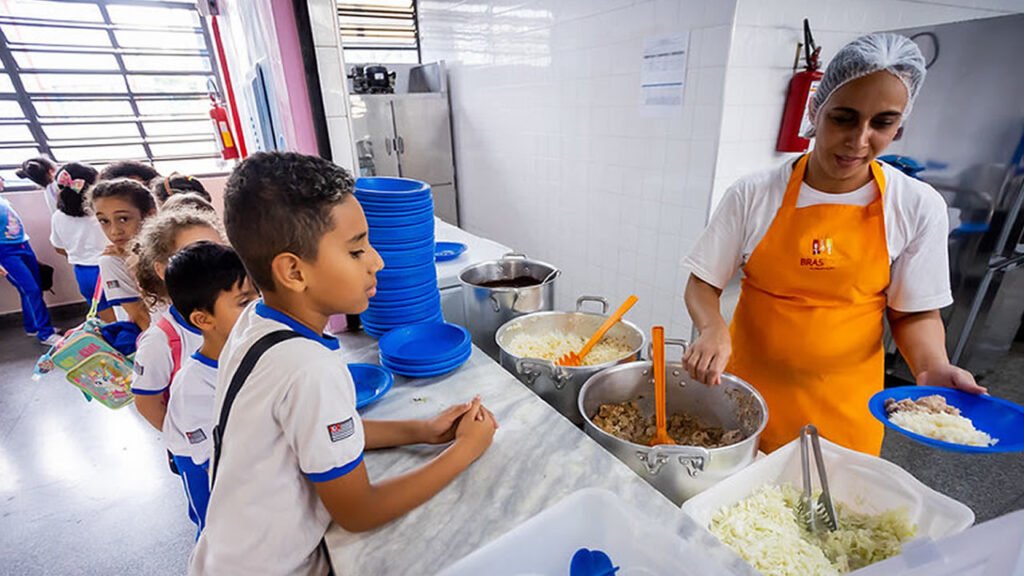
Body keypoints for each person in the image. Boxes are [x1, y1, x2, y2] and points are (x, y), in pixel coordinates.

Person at [190, 152, 497, 576]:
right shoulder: (309, 368)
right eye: (356, 251)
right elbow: (359, 511)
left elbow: (316, 433)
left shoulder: (255, 321)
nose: (378, 261)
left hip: (225, 553)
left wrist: (420, 431)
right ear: (293, 272)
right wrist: (466, 450)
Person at [682, 33, 985, 456]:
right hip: (745, 400)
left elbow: (914, 312)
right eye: (843, 118)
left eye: (882, 123)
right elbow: (703, 283)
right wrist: (713, 328)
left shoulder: (916, 205)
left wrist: (931, 365)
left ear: (899, 125)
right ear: (815, 110)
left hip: (846, 410)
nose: (859, 140)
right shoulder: (755, 194)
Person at [163, 241, 258, 538]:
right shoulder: (193, 386)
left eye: (260, 295)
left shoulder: (251, 350)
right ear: (203, 320)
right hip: (203, 466)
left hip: (247, 457)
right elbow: (213, 462)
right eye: (244, 302)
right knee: (216, 532)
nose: (259, 308)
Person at [130, 207, 225, 431]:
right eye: (195, 255)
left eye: (218, 252)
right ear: (163, 270)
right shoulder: (161, 341)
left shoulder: (244, 316)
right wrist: (184, 443)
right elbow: (146, 401)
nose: (215, 265)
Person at [48, 162, 115, 323]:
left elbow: (59, 248)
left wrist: (79, 254)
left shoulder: (58, 216)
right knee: (134, 316)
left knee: (111, 324)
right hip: (111, 268)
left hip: (84, 273)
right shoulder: (101, 214)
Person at [89, 178, 157, 330]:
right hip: (160, 342)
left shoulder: (163, 250)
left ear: (149, 216)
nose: (114, 231)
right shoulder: (112, 261)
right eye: (104, 221)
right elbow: (141, 317)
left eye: (123, 219)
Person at [0, 177, 59, 345]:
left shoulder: (3, 199)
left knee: (33, 288)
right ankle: (45, 333)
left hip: (23, 245)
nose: (2, 179)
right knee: (31, 290)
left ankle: (33, 326)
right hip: (5, 252)